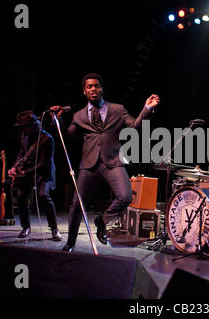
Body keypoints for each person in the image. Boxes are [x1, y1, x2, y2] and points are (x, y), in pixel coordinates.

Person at [51, 73, 160, 251]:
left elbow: (134, 126)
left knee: (125, 196)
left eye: (96, 86)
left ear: (102, 89)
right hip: (89, 165)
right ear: (84, 92)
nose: (93, 89)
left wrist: (147, 108)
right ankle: (70, 243)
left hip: (112, 161)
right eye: (89, 87)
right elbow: (68, 137)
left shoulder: (117, 109)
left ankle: (102, 220)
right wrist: (58, 120)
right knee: (77, 205)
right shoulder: (78, 116)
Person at [8, 110, 62, 241]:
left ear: (32, 126)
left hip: (43, 173)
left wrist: (26, 172)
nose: (23, 130)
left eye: (24, 127)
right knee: (21, 197)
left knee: (43, 195)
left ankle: (54, 229)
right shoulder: (24, 135)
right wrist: (14, 167)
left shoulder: (47, 139)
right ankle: (26, 227)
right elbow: (22, 153)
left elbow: (44, 163)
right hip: (27, 172)